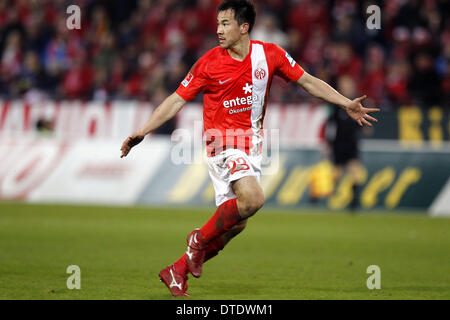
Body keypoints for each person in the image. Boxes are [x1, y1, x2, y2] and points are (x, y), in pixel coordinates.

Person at [120, 0, 379, 297]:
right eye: (217, 23)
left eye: (225, 23)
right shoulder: (208, 63)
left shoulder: (270, 55)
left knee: (236, 225)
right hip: (222, 144)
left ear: (244, 28)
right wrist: (143, 130)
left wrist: (346, 102)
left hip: (251, 147)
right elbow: (176, 99)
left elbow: (307, 81)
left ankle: (177, 270)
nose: (218, 30)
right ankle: (196, 241)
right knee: (254, 199)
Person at [325, 75, 365, 211]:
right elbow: (330, 124)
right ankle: (333, 197)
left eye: (347, 85)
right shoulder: (336, 103)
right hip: (338, 143)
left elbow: (363, 121)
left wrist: (364, 128)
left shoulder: (358, 103)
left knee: (354, 170)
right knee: (336, 173)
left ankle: (354, 201)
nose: (345, 87)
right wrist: (329, 143)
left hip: (351, 142)